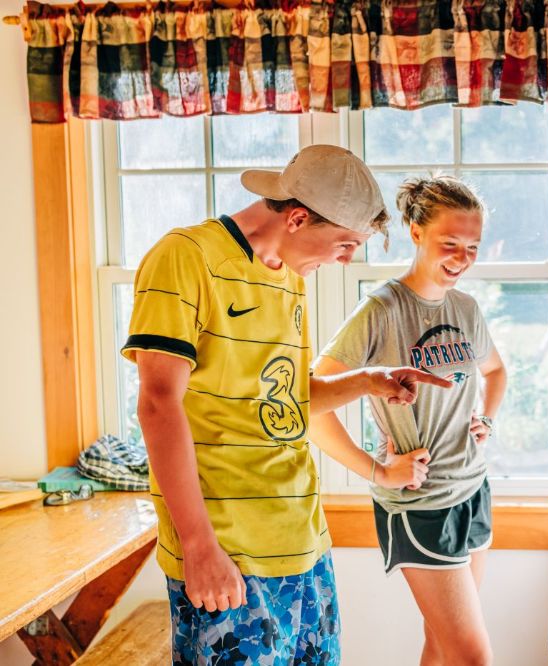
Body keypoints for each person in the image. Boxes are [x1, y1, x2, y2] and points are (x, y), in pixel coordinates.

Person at [122, 145, 448, 665]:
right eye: (344, 245)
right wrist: (199, 547)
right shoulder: (185, 258)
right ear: (297, 218)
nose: (345, 260)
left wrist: (369, 381)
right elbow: (158, 405)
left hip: (303, 544)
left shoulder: (289, 276)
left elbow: (284, 401)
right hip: (227, 552)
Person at [311, 175, 508, 666]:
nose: (461, 259)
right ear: (416, 234)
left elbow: (497, 370)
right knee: (473, 657)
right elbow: (308, 404)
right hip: (421, 506)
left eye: (472, 247)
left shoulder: (465, 307)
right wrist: (378, 471)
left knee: (442, 645)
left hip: (473, 490)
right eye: (449, 244)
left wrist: (487, 417)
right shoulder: (382, 309)